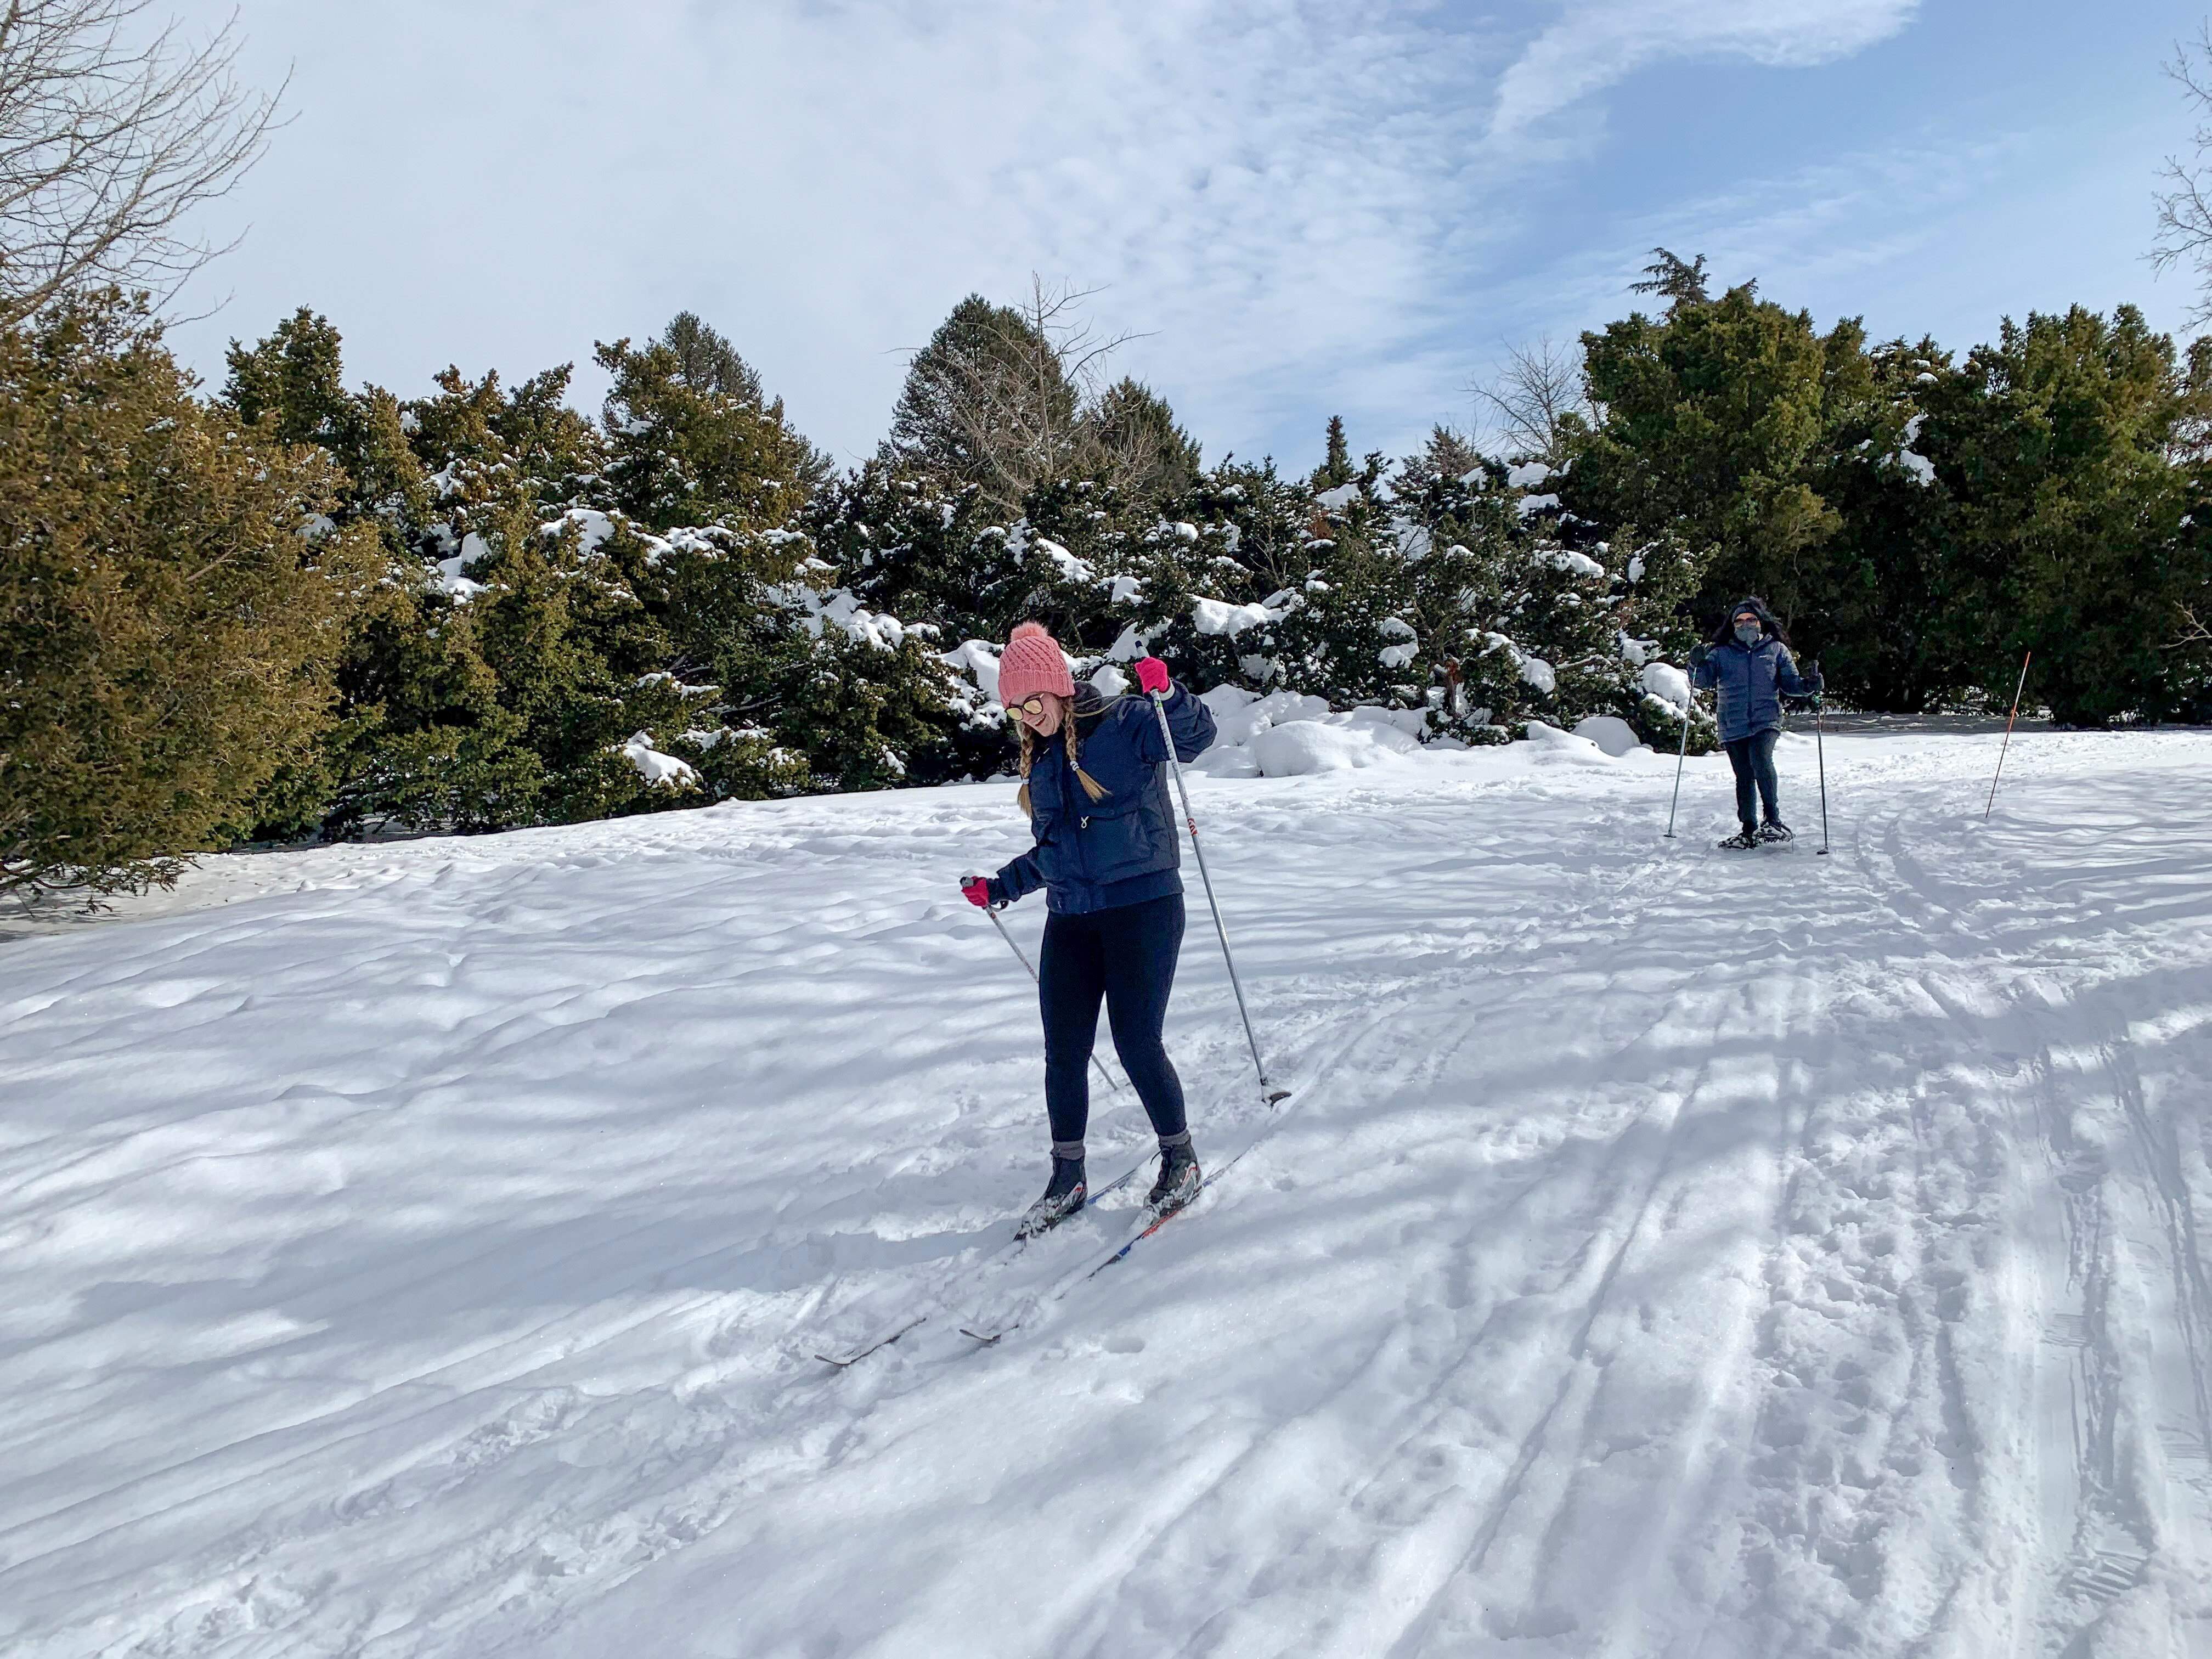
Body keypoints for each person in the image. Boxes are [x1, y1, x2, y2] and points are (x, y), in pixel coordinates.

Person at [961, 620, 1219, 1237]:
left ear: (1058, 688)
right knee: (1064, 1050)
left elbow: (1195, 737)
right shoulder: (1045, 762)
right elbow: (1054, 854)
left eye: (1033, 702)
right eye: (1015, 710)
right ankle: (1067, 1175)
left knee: (1136, 1040)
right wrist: (1001, 886)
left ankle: (1180, 1157)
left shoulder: (1127, 723)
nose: (1028, 717)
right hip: (1071, 917)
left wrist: (1170, 695)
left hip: (1144, 907)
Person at [1687, 596, 1822, 849]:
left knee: (1761, 759)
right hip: (1732, 721)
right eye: (1740, 621)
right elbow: (1702, 682)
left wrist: (1808, 686)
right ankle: (1748, 830)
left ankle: (1772, 820)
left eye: (1751, 620)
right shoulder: (1721, 653)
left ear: (1761, 623)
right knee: (1744, 775)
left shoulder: (1776, 650)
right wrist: (1695, 664)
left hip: (1766, 719)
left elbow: (1790, 683)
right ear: (1733, 626)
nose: (1746, 625)